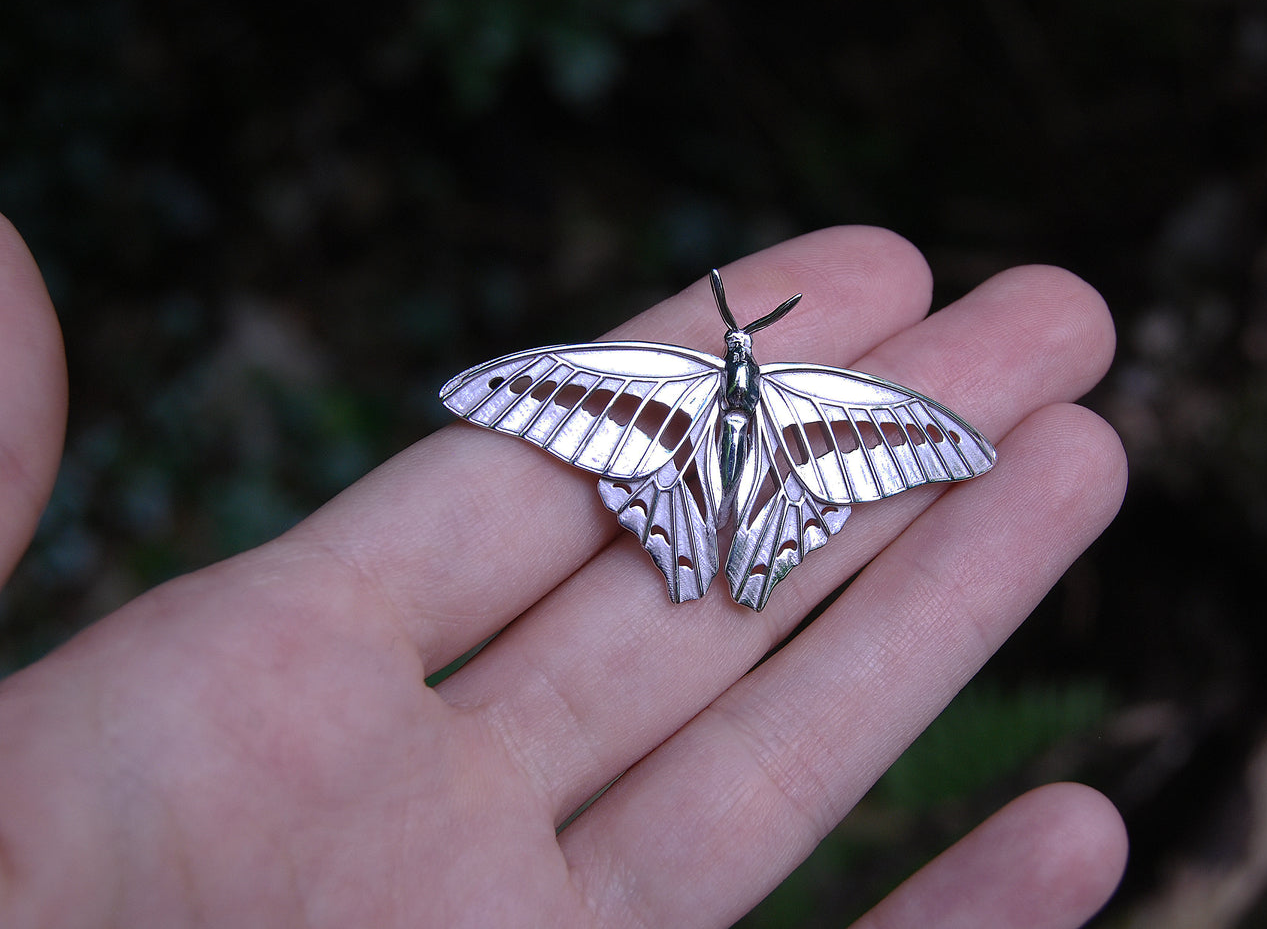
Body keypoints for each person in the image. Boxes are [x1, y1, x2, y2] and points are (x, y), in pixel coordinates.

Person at [0, 216, 1128, 928]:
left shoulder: (756, 400)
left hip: (753, 472)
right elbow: (530, 389)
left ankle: (720, 549)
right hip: (741, 470)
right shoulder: (641, 385)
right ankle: (724, 553)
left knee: (747, 520)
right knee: (738, 536)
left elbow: (935, 435)